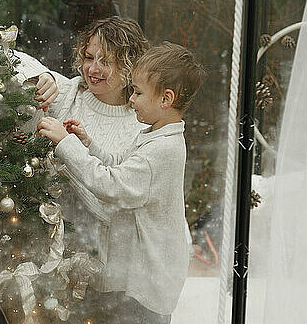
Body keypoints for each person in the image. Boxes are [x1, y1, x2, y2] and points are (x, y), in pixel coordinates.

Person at [36, 42, 206, 323]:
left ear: (165, 99)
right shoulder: (155, 135)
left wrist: (65, 144)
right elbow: (120, 163)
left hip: (147, 284)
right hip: (140, 277)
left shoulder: (162, 151)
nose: (131, 100)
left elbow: (112, 186)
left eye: (138, 93)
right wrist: (87, 143)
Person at [12, 16, 150, 269]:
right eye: (88, 57)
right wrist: (40, 75)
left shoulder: (140, 125)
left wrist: (66, 151)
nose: (93, 69)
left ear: (129, 66)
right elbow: (7, 57)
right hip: (37, 249)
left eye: (105, 61)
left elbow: (113, 207)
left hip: (99, 263)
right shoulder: (67, 92)